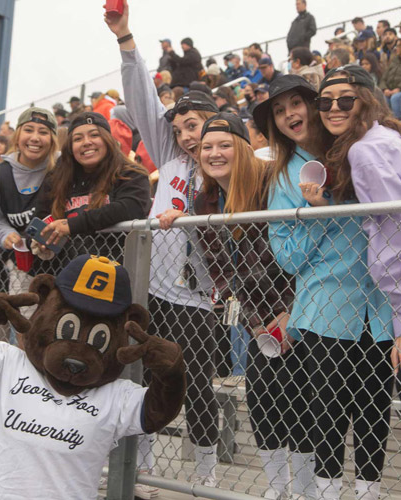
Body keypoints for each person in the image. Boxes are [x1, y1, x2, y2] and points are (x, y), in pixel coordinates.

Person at [254, 73, 394, 500]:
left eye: (296, 103)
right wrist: (320, 213)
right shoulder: (282, 178)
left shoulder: (356, 152)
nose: (290, 115)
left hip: (382, 306)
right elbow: (288, 258)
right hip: (326, 311)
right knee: (328, 418)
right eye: (278, 111)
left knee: (375, 413)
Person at [105, 0, 221, 492]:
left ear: (216, 124)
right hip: (153, 292)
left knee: (198, 390)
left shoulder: (231, 163)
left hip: (198, 299)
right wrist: (126, 39)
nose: (185, 136)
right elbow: (143, 101)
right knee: (145, 380)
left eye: (193, 126)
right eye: (178, 130)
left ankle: (207, 476)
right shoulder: (171, 158)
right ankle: (144, 468)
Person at [194, 112, 315, 500]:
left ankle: (306, 493)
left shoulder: (271, 182)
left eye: (224, 144)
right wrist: (256, 324)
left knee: (302, 408)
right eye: (206, 147)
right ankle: (278, 490)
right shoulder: (205, 200)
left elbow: (309, 247)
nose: (214, 153)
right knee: (263, 404)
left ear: (243, 147)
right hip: (259, 320)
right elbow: (221, 273)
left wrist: (292, 311)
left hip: (304, 307)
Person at [316, 68, 401, 455]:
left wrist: (399, 321)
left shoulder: (364, 149)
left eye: (345, 99)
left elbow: (392, 238)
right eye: (325, 101)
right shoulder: (388, 138)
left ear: (366, 100)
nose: (334, 108)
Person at [0, 107, 59, 345]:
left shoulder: (61, 171)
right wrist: (6, 234)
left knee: (56, 331)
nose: (35, 137)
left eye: (43, 132)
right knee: (26, 332)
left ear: (52, 139)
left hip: (61, 266)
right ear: (17, 136)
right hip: (21, 267)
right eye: (29, 130)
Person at [39, 111, 150, 257]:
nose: (86, 142)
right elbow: (41, 214)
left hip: (117, 268)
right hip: (68, 271)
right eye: (78, 139)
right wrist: (40, 240)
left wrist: (72, 225)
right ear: (70, 148)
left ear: (108, 140)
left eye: (94, 135)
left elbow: (130, 207)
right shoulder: (58, 177)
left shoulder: (131, 173)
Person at [379, 42, 401, 119]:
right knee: (382, 96)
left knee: (395, 98)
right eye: (397, 46)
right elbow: (384, 78)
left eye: (399, 46)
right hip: (390, 90)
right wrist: (385, 89)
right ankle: (387, 121)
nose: (397, 48)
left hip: (398, 91)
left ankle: (398, 122)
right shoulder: (394, 61)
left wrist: (398, 89)